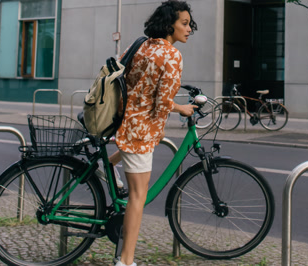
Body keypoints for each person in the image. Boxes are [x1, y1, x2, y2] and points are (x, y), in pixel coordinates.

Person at [109, 1, 197, 266]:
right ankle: (126, 261)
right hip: (140, 128)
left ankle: (108, 165)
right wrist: (182, 108)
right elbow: (162, 101)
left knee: (134, 183)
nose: (189, 29)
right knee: (138, 197)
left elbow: (126, 80)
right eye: (184, 23)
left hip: (125, 120)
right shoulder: (172, 55)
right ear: (170, 25)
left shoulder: (140, 45)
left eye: (190, 24)